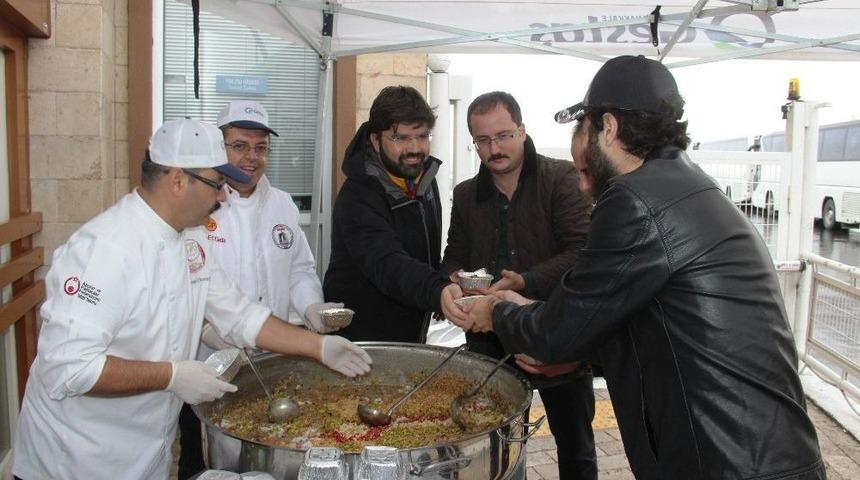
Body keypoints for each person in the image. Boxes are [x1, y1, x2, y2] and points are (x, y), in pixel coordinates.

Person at [463, 55, 825, 480]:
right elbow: (662, 328)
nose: (583, 183)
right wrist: (580, 359)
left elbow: (555, 335)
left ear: (609, 128)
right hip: (760, 453)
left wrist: (499, 311)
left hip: (731, 460)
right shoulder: (687, 184)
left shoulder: (633, 200)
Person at [11, 119, 372, 480]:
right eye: (216, 184)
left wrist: (319, 347)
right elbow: (69, 368)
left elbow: (240, 315)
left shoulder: (190, 239)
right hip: (74, 459)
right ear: (178, 180)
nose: (222, 196)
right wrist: (171, 375)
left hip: (147, 452)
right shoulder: (104, 251)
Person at [176, 101, 345, 478]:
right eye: (239, 145)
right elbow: (186, 284)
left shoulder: (282, 204)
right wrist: (209, 330)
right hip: (210, 365)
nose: (251, 157)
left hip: (275, 358)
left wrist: (311, 308)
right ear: (220, 148)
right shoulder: (201, 208)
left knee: (273, 449)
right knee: (209, 455)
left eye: (260, 147)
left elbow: (299, 269)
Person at [440, 91, 596, 480]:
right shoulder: (465, 194)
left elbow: (584, 252)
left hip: (556, 334)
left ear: (523, 131)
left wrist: (526, 280)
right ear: (473, 142)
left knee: (575, 445)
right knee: (497, 449)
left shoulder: (561, 178)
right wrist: (453, 284)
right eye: (483, 140)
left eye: (504, 135)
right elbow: (453, 257)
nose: (495, 148)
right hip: (491, 344)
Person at [323, 85, 459, 342]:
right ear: (375, 140)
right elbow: (386, 262)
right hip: (361, 339)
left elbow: (424, 253)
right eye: (401, 138)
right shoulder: (358, 194)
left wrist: (441, 278)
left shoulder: (424, 179)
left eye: (422, 136)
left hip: (411, 329)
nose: (414, 148)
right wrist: (436, 290)